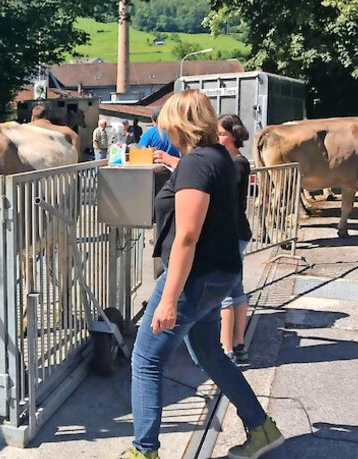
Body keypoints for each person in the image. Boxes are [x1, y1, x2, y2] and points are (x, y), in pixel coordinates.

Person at [122, 90, 283, 459]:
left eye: (167, 127)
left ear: (179, 124)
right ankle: (262, 428)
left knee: (146, 360)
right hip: (220, 272)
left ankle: (143, 451)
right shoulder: (219, 158)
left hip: (194, 277)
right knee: (211, 355)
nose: (165, 135)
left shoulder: (196, 163)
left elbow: (188, 236)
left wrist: (167, 299)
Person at [217, 114, 253, 364]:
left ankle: (226, 349)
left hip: (230, 235)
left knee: (226, 293)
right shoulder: (230, 161)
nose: (217, 138)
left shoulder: (237, 164)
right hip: (236, 233)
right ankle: (239, 344)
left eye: (220, 134)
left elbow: (223, 182)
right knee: (236, 288)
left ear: (233, 135)